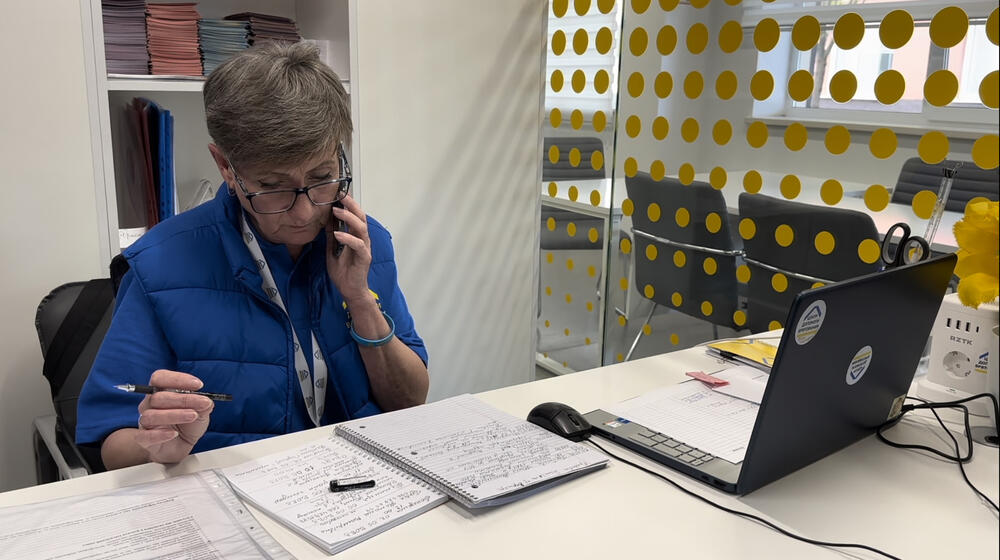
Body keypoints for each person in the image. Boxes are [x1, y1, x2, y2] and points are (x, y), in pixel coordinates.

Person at [76, 42, 429, 470]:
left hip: (357, 484)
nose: (304, 212)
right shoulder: (159, 265)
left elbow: (410, 401)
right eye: (273, 185)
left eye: (321, 177)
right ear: (225, 166)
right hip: (229, 496)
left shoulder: (363, 241)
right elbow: (109, 439)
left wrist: (359, 300)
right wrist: (157, 447)